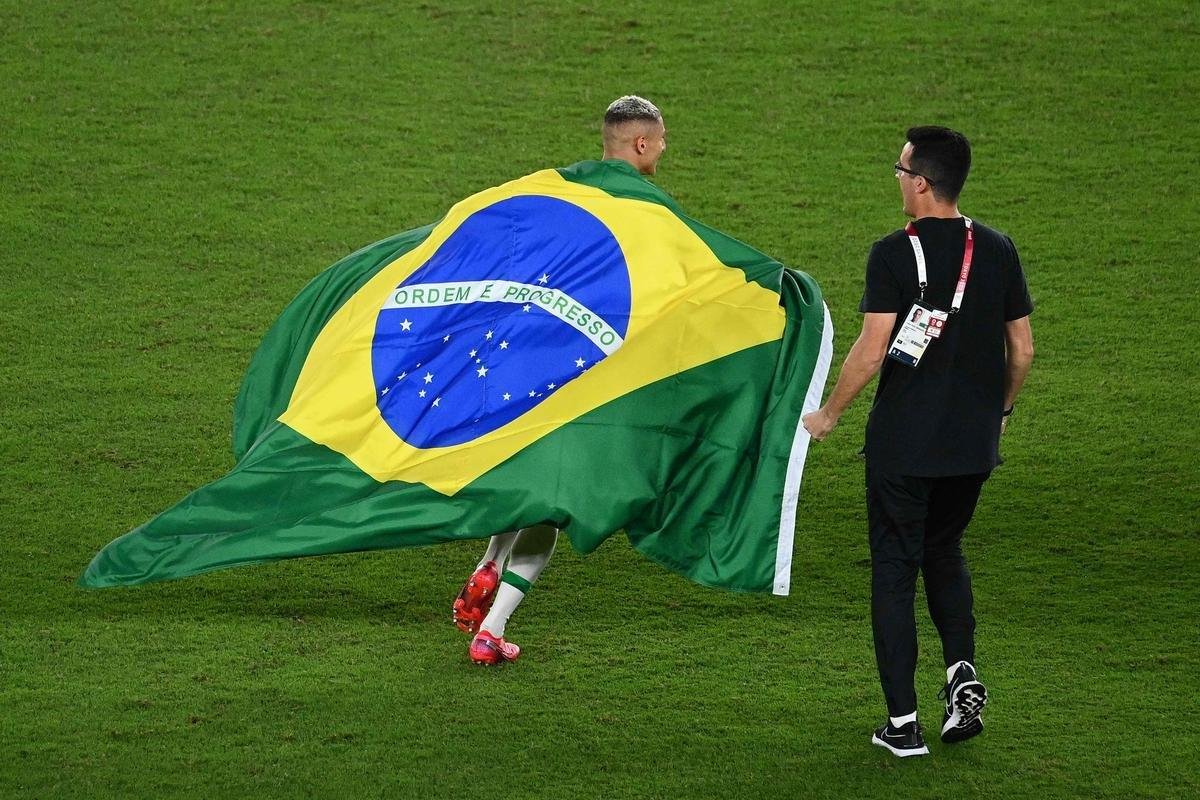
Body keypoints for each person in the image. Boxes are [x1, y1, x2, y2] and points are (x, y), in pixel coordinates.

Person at [803, 126, 1034, 756]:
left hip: (904, 447)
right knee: (946, 550)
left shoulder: (891, 253)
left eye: (902, 170)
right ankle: (962, 677)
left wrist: (829, 414)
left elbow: (873, 349)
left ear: (923, 183)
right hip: (972, 446)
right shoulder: (997, 247)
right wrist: (1002, 410)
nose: (897, 179)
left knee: (895, 569)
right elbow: (1023, 349)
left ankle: (902, 725)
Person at [452, 95, 669, 666]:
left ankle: (489, 564)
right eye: (662, 141)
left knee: (526, 479)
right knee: (554, 505)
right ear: (642, 145)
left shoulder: (562, 193)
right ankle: (492, 629)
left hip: (521, 365)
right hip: (583, 378)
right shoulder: (649, 210)